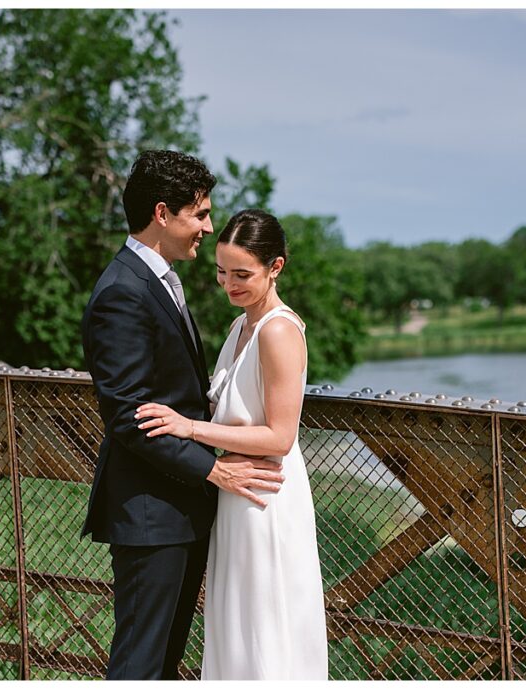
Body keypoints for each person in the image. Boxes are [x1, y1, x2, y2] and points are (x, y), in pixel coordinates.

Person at [80, 152, 287, 681]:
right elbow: (128, 417)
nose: (208, 227)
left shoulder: (158, 280)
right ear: (162, 213)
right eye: (200, 214)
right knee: (140, 664)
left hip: (180, 509)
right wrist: (214, 469)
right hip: (151, 514)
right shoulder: (123, 291)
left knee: (164, 661)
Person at [136, 209, 329, 680]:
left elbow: (280, 436)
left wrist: (190, 429)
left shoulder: (278, 330)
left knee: (266, 625)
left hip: (266, 495)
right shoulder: (239, 327)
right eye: (222, 272)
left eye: (242, 274)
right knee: (236, 625)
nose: (229, 285)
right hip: (235, 492)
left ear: (275, 267)